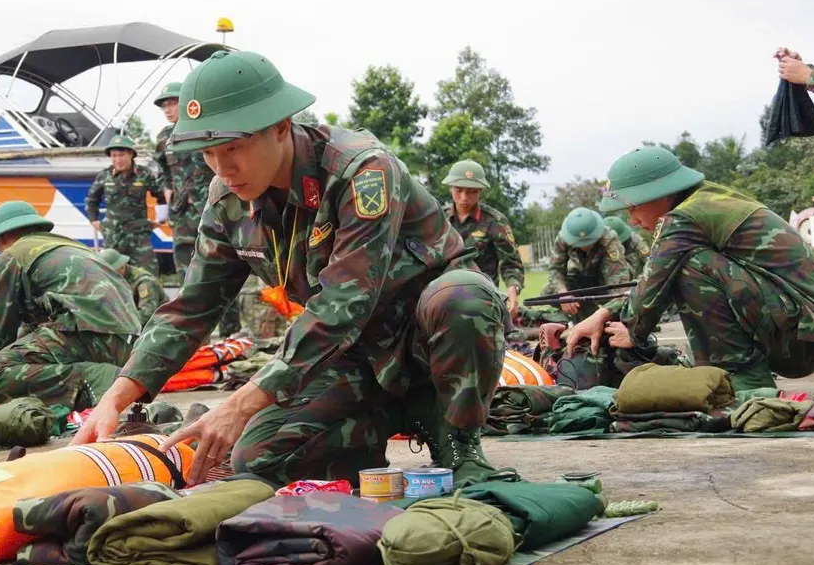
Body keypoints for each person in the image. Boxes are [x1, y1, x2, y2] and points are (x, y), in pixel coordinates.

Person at [73, 50, 510, 488]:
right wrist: (118, 393)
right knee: (255, 460)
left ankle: (458, 441)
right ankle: (382, 424)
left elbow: (344, 302)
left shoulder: (360, 170)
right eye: (207, 153)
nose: (223, 169)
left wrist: (243, 402)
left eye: (233, 147)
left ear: (280, 127)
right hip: (350, 357)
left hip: (423, 342)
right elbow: (192, 308)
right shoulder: (227, 200)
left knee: (463, 296)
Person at [567, 146, 814, 391]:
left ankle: (743, 383)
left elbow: (654, 284)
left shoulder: (684, 217)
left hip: (801, 338)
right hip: (806, 332)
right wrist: (605, 313)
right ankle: (731, 375)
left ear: (660, 192)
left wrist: (632, 329)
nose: (632, 220)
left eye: (633, 206)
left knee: (692, 266)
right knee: (685, 265)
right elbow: (655, 279)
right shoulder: (704, 200)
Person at [0, 201, 141, 411]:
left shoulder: (12, 255)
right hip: (130, 345)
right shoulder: (72, 247)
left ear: (2, 237)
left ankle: (99, 380)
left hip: (89, 336)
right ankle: (105, 379)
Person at [155, 81, 243, 334]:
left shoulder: (208, 128)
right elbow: (161, 166)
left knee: (224, 272)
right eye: (164, 106)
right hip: (182, 215)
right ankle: (193, 339)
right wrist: (167, 188)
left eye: (172, 103)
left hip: (213, 209)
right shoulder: (164, 137)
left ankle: (231, 334)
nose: (168, 109)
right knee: (187, 279)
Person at [441, 159, 525, 316]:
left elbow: (511, 264)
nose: (464, 197)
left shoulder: (495, 221)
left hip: (482, 300)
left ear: (480, 190)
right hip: (443, 298)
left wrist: (513, 290)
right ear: (450, 188)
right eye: (458, 190)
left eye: (471, 191)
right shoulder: (438, 219)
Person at [85, 134, 167, 276]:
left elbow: (160, 196)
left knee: (148, 273)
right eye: (114, 155)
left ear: (131, 154)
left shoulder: (144, 174)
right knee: (112, 274)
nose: (118, 160)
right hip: (113, 235)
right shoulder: (105, 176)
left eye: (121, 155)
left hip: (139, 235)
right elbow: (92, 199)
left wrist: (161, 219)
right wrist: (94, 220)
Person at [541, 207, 632, 321]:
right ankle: (581, 316)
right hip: (581, 280)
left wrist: (609, 311)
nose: (584, 246)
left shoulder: (608, 238)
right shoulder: (563, 238)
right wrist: (563, 294)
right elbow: (555, 269)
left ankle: (615, 318)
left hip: (604, 281)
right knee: (548, 292)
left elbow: (618, 279)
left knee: (623, 297)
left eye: (589, 242)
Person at [98, 248, 164, 326]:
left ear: (122, 267)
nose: (107, 276)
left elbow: (146, 314)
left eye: (111, 272)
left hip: (156, 324)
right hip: (130, 320)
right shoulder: (112, 279)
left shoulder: (144, 281)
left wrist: (120, 326)